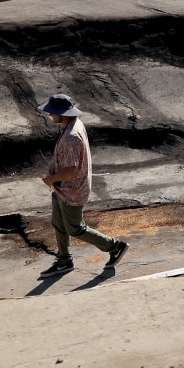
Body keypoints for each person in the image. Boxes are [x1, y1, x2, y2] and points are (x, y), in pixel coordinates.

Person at [37, 93, 128, 277]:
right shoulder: (72, 124)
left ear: (63, 114)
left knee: (75, 228)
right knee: (58, 223)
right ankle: (64, 261)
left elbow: (70, 171)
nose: (50, 115)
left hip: (72, 190)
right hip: (62, 188)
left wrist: (51, 179)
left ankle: (115, 246)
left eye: (53, 112)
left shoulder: (71, 136)